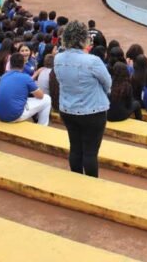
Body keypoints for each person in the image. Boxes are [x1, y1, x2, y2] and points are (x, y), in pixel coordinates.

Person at [54, 20, 112, 177]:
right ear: (83, 39)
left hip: (68, 110)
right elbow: (108, 83)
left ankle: (77, 180)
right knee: (90, 153)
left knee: (75, 148)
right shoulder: (93, 61)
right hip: (93, 112)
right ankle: (91, 185)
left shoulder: (58, 58)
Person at [0, 53, 51, 125]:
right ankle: (42, 127)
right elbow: (41, 96)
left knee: (21, 99)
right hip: (13, 116)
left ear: (10, 64)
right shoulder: (25, 77)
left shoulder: (3, 76)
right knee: (47, 98)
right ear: (23, 65)